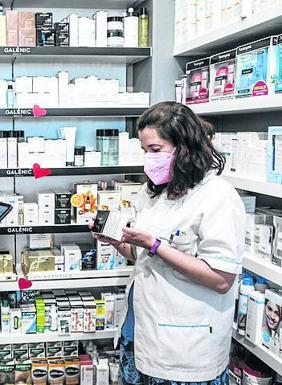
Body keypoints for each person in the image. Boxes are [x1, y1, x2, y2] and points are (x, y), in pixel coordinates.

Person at [91, 101, 245, 385]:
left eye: (155, 150)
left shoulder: (218, 196)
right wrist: (114, 240)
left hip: (185, 348)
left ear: (184, 146)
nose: (149, 159)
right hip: (138, 333)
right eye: (144, 151)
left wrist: (156, 245)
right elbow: (140, 256)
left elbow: (222, 279)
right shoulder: (152, 193)